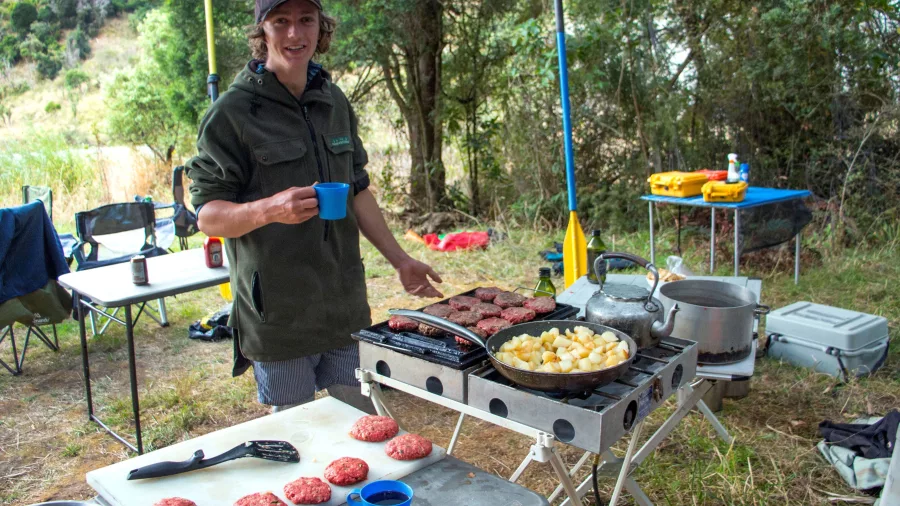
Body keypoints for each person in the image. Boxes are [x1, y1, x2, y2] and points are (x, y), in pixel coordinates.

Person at [185, 0, 443, 413]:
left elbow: (358, 191)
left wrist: (400, 260)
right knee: (297, 437)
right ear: (261, 33)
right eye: (281, 22)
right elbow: (208, 216)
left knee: (361, 428)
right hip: (279, 314)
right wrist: (269, 209)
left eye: (306, 20)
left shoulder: (333, 101)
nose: (294, 34)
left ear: (321, 28)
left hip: (343, 306)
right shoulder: (231, 114)